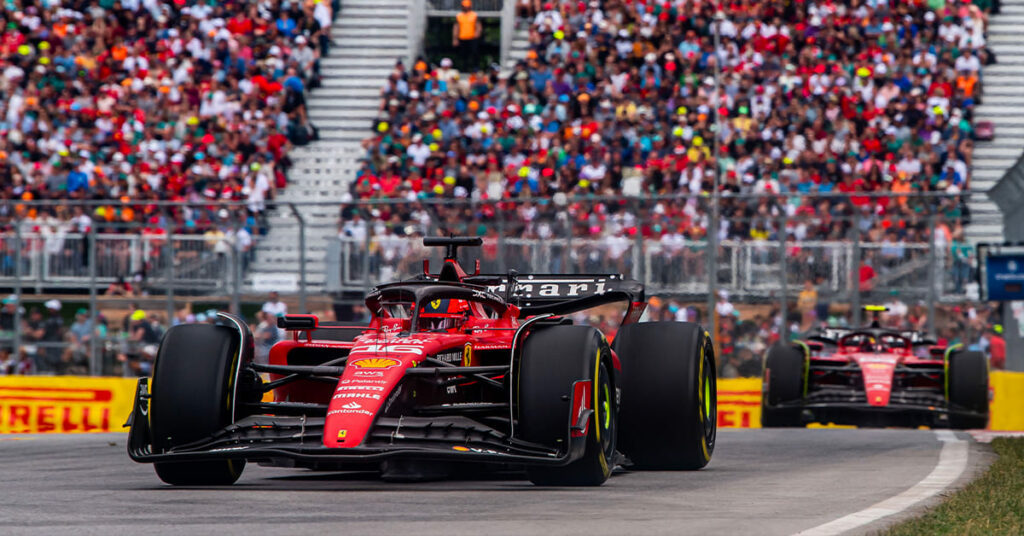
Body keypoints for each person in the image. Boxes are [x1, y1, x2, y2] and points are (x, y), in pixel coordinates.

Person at [452, 0, 482, 69]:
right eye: (464, 6)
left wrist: (478, 32)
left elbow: (478, 25)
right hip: (462, 37)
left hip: (472, 38)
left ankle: (476, 68)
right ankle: (464, 68)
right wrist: (455, 39)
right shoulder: (459, 16)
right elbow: (456, 27)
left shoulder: (474, 15)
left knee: (475, 53)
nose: (466, 8)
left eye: (467, 6)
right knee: (463, 55)